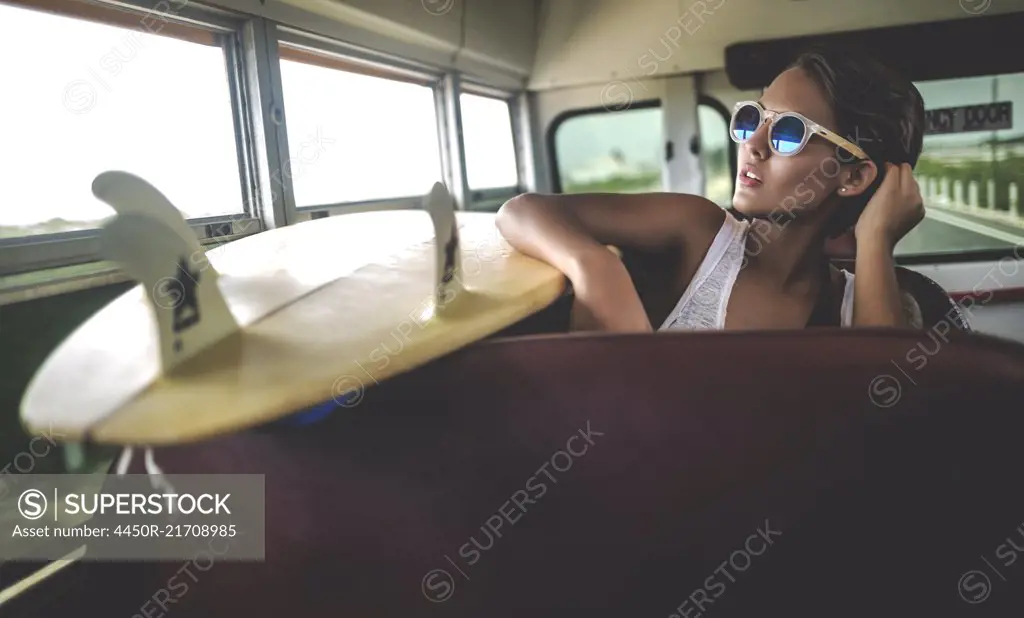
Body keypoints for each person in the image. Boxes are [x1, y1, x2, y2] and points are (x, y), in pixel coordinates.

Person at [496, 45, 927, 333]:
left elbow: (882, 423)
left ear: (852, 177)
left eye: (789, 132)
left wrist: (876, 240)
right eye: (751, 118)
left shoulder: (868, 306)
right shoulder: (699, 232)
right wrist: (594, 267)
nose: (752, 143)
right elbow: (522, 210)